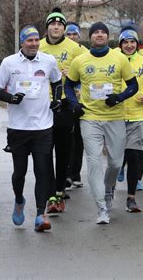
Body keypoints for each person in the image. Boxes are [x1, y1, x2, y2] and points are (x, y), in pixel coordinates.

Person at [64, 22, 138, 224]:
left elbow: (134, 85)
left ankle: (108, 188)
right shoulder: (80, 60)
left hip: (114, 117)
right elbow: (69, 85)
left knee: (115, 162)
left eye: (103, 32)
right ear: (90, 37)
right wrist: (74, 104)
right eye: (95, 32)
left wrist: (119, 97)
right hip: (90, 118)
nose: (99, 35)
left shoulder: (119, 58)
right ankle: (101, 207)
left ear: (108, 36)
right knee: (94, 162)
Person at [0, 25, 62, 232]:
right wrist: (11, 98)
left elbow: (57, 82)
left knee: (42, 170)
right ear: (22, 43)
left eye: (35, 40)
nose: (33, 44)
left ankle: (41, 214)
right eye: (29, 41)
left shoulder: (48, 61)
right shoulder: (9, 63)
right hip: (18, 127)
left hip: (43, 126)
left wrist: (57, 100)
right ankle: (19, 199)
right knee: (20, 173)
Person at [39, 7, 85, 214]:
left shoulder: (75, 48)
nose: (55, 27)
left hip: (65, 104)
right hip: (42, 105)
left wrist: (74, 74)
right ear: (47, 27)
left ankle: (59, 191)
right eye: (52, 24)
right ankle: (50, 193)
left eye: (59, 24)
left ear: (64, 28)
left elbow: (90, 67)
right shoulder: (37, 46)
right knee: (44, 151)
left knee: (64, 150)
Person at [117, 28, 143, 212]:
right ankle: (109, 192)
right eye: (125, 42)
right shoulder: (112, 59)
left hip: (137, 116)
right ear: (120, 44)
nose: (129, 45)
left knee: (134, 156)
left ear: (137, 44)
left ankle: (131, 198)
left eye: (132, 42)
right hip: (115, 116)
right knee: (115, 160)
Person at [64, 21, 88, 189]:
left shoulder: (85, 53)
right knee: (66, 139)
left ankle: (76, 173)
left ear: (79, 36)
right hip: (64, 101)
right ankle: (64, 173)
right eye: (69, 34)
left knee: (78, 139)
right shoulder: (60, 52)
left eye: (74, 34)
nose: (72, 37)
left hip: (81, 101)